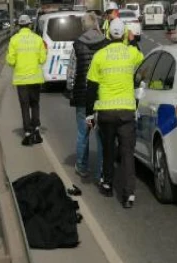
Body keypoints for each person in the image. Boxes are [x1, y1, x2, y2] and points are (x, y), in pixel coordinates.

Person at [85, 18, 144, 209]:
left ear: (108, 34)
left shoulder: (100, 55)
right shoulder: (132, 53)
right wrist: (132, 41)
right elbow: (144, 69)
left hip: (106, 113)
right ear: (124, 34)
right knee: (127, 153)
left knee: (108, 150)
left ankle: (108, 183)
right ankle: (129, 194)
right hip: (127, 112)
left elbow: (91, 88)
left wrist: (88, 114)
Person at [67, 12, 109, 181]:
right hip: (101, 97)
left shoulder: (77, 45)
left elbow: (71, 71)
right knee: (101, 136)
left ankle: (82, 167)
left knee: (83, 132)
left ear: (84, 26)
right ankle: (100, 171)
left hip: (83, 97)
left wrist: (70, 89)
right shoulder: (105, 44)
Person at [6, 14, 47, 146]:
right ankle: (37, 131)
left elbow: (10, 61)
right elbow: (42, 59)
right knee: (35, 104)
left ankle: (28, 134)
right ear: (30, 25)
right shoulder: (38, 39)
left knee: (24, 106)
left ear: (19, 25)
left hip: (21, 79)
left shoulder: (14, 40)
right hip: (35, 78)